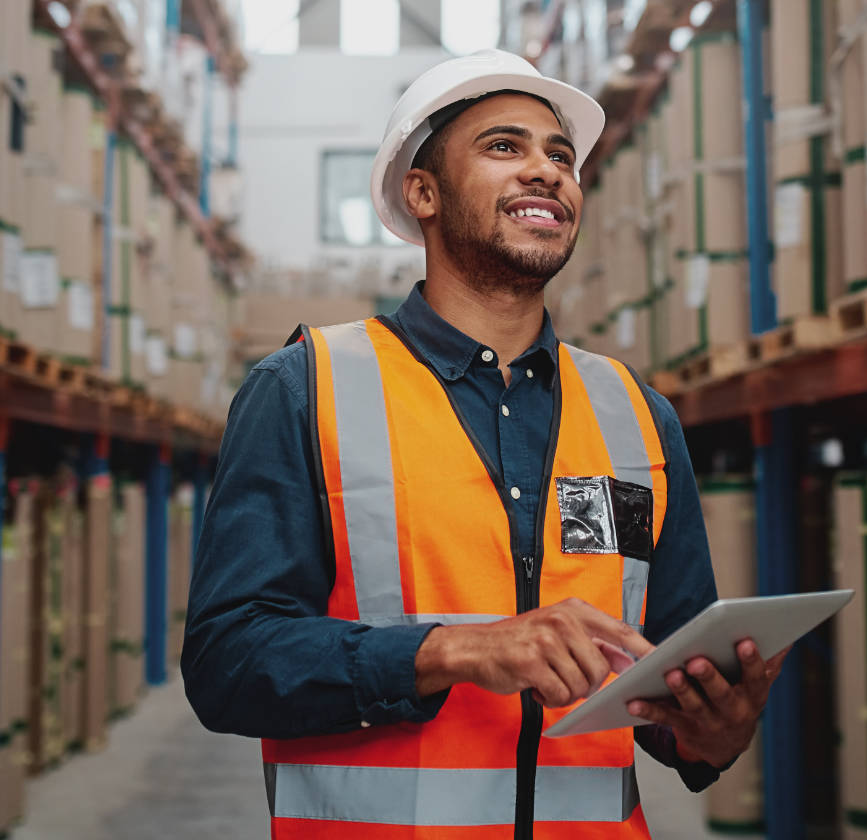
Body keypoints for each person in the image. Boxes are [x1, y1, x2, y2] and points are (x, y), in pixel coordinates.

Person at [182, 49, 787, 839]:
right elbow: (229, 663)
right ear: (422, 193)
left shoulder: (636, 415)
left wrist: (713, 731)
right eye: (505, 147)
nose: (546, 170)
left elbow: (666, 688)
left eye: (560, 156)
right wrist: (451, 652)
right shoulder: (307, 389)